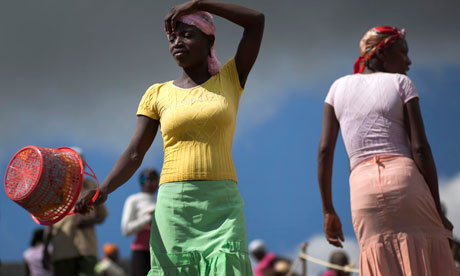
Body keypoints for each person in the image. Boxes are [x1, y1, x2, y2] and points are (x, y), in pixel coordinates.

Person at [75, 1, 264, 275]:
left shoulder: (230, 79)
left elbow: (256, 22)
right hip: (175, 207)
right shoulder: (157, 93)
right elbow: (134, 153)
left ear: (209, 39)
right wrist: (102, 190)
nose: (177, 42)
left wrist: (199, 3)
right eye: (173, 37)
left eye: (188, 34)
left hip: (222, 205)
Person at [317, 26, 458, 275]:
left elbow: (325, 151)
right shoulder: (401, 82)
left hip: (362, 191)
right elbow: (421, 149)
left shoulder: (337, 88)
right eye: (402, 52)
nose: (409, 61)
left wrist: (328, 210)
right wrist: (437, 210)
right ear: (380, 53)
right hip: (405, 180)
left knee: (380, 261)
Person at [43, 147, 108, 276]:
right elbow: (48, 223)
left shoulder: (91, 186)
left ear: (83, 165)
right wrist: (44, 250)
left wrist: (89, 221)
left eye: (78, 163)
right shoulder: (55, 189)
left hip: (87, 248)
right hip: (62, 249)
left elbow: (102, 215)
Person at [121, 168, 159, 276]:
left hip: (158, 252)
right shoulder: (133, 200)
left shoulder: (160, 200)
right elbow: (126, 230)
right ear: (141, 182)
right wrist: (148, 218)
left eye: (154, 179)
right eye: (146, 179)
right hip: (141, 252)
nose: (150, 183)